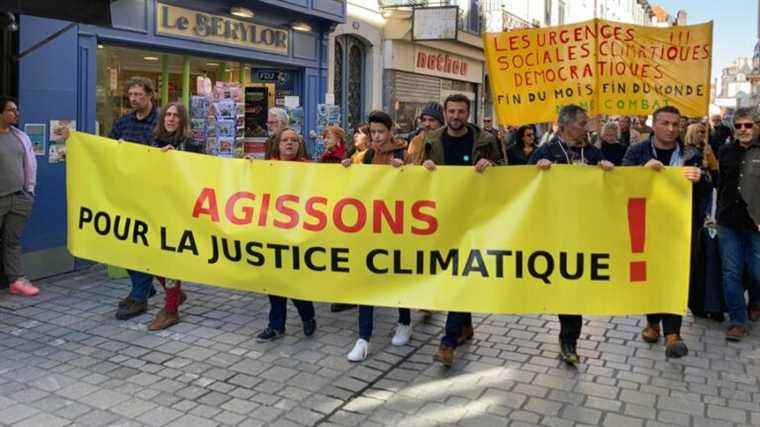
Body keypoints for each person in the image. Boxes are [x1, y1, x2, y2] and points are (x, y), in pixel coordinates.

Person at [420, 93, 502, 367]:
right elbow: (415, 176)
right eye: (452, 111)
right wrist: (424, 168)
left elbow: (508, 174)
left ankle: (448, 342)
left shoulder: (487, 141)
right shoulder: (431, 140)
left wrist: (492, 166)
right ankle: (464, 326)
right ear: (445, 112)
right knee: (456, 274)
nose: (456, 116)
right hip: (442, 217)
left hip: (475, 218)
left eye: (461, 112)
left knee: (460, 273)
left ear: (469, 113)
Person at [528, 105, 614, 365]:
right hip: (553, 228)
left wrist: (608, 170)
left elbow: (613, 181)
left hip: (584, 229)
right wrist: (536, 169)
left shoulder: (592, 152)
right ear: (564, 125)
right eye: (581, 123)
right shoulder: (546, 151)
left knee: (572, 286)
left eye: (586, 123)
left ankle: (569, 341)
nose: (585, 128)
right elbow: (522, 184)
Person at [622, 105, 704, 358]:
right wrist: (641, 172)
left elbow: (710, 184)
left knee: (676, 275)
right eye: (665, 123)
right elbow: (621, 181)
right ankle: (652, 322)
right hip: (646, 225)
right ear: (654, 124)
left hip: (681, 226)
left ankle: (673, 332)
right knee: (652, 274)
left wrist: (700, 177)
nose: (671, 129)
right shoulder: (638, 151)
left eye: (675, 124)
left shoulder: (691, 153)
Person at [341, 110, 410, 361]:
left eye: (381, 132)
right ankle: (363, 337)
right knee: (366, 282)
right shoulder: (365, 156)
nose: (377, 137)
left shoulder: (404, 154)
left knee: (399, 276)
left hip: (397, 228)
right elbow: (350, 184)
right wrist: (347, 167)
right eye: (373, 132)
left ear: (390, 131)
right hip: (370, 228)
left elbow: (420, 185)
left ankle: (404, 321)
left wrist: (407, 171)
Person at [252, 128, 317, 341]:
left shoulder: (310, 169)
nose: (289, 143)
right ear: (278, 144)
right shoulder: (267, 167)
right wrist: (245, 168)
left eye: (294, 140)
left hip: (299, 232)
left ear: (299, 145)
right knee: (275, 281)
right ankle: (276, 325)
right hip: (273, 231)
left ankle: (307, 315)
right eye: (285, 140)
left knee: (294, 281)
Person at [146, 102, 203, 330]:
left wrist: (178, 157)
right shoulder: (154, 142)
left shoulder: (191, 145)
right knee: (148, 257)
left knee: (170, 261)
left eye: (175, 116)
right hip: (156, 207)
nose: (170, 119)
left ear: (182, 120)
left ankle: (171, 310)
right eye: (167, 115)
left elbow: (204, 171)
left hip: (180, 211)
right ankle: (174, 293)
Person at [108, 77, 160, 320]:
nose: (134, 99)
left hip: (152, 196)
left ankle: (140, 296)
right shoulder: (123, 122)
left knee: (142, 246)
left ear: (151, 95)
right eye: (131, 95)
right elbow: (106, 149)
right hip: (126, 194)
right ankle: (144, 288)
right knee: (124, 243)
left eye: (139, 94)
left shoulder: (162, 122)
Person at [716, 108, 760, 340]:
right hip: (728, 221)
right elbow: (720, 185)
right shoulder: (725, 151)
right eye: (739, 126)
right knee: (731, 271)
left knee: (756, 271)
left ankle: (756, 300)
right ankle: (737, 320)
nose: (743, 129)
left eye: (748, 125)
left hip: (756, 223)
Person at [0, 95, 39, 297]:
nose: (16, 113)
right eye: (11, 110)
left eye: (16, 110)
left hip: (19, 197)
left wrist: (28, 192)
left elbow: (30, 165)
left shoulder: (19, 136)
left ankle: (16, 280)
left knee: (12, 240)